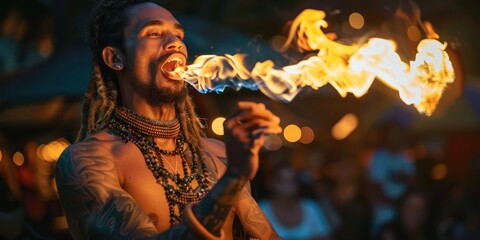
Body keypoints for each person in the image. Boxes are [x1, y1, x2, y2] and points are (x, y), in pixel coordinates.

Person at [54, 0, 282, 239]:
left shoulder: (220, 155)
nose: (175, 43)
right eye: (153, 33)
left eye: (178, 35)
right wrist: (233, 178)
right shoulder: (88, 161)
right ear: (115, 58)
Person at [258, 162, 332, 240]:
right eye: (283, 180)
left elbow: (326, 236)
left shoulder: (311, 207)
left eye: (292, 180)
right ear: (272, 183)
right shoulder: (260, 210)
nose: (289, 185)